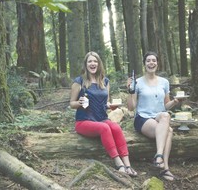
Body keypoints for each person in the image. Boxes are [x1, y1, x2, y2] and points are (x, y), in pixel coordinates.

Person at [70, 51, 137, 177]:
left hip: (101, 118)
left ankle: (128, 165)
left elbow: (104, 103)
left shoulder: (104, 81)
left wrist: (111, 106)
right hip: (83, 121)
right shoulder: (79, 81)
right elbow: (71, 104)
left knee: (116, 127)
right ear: (86, 64)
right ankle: (119, 164)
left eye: (95, 61)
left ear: (99, 64)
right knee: (105, 128)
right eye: (90, 61)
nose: (93, 63)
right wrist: (79, 103)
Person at [127, 51, 182, 181]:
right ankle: (165, 168)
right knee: (169, 130)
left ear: (157, 63)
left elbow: (165, 105)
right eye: (148, 61)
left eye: (154, 60)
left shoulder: (164, 82)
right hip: (143, 118)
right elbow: (131, 107)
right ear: (144, 64)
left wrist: (174, 102)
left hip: (159, 117)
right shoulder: (138, 82)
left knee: (165, 115)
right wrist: (130, 91)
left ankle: (158, 156)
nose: (151, 63)